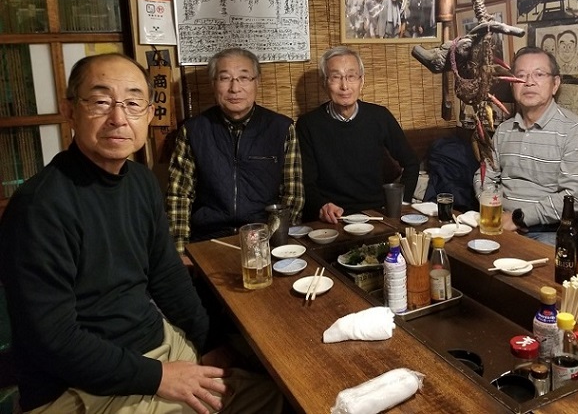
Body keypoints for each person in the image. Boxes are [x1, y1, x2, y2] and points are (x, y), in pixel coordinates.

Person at [0, 53, 283, 413]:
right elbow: (53, 340)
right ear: (70, 110)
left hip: (155, 346)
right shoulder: (39, 207)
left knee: (276, 394)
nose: (118, 118)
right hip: (79, 386)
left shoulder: (139, 181)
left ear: (149, 114)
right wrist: (160, 376)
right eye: (101, 102)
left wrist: (208, 340)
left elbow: (166, 274)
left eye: (133, 104)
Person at [167, 48, 304, 258]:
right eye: (225, 78)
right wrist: (180, 255)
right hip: (209, 239)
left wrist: (278, 243)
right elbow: (179, 197)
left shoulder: (281, 128)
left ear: (257, 82)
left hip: (265, 241)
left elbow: (292, 196)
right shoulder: (193, 130)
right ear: (213, 83)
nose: (235, 88)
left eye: (243, 78)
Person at [474, 46, 578, 248]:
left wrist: (518, 218)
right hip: (501, 222)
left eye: (539, 74)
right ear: (512, 84)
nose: (529, 82)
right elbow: (484, 176)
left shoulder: (577, 131)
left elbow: (575, 199)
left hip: (553, 232)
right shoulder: (504, 130)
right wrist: (493, 208)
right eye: (521, 76)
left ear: (555, 84)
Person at [296, 46, 419, 223]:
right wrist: (321, 205)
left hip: (376, 214)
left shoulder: (379, 117)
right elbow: (306, 182)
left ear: (362, 81)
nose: (345, 86)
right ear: (324, 83)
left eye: (351, 76)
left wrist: (400, 202)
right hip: (334, 218)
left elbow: (411, 163)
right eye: (336, 77)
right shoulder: (308, 124)